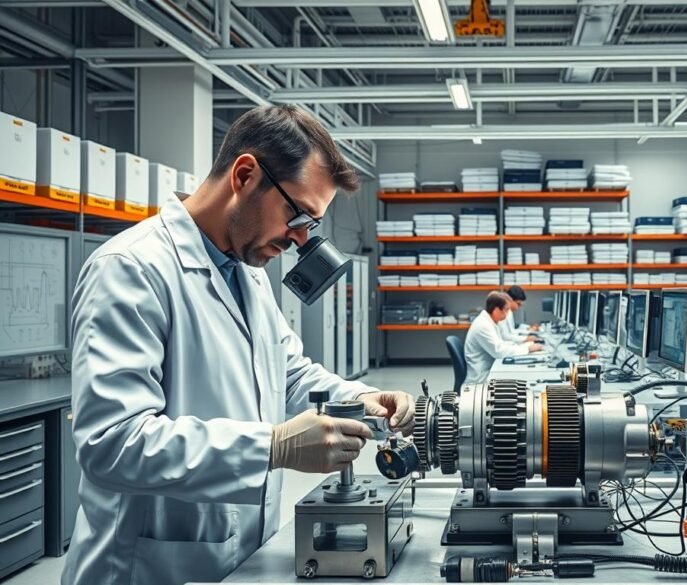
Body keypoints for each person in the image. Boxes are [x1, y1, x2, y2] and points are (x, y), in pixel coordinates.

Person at [62, 105, 415, 585]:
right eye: (297, 215)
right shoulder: (130, 269)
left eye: (311, 224)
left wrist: (358, 398)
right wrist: (271, 447)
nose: (298, 239)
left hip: (243, 556)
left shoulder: (248, 274)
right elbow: (112, 443)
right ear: (245, 175)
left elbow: (288, 372)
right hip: (148, 567)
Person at [464, 292, 544, 384]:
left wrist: (524, 346)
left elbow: (501, 344)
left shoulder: (489, 322)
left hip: (490, 368)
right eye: (506, 310)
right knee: (524, 378)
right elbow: (499, 352)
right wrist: (527, 348)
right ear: (496, 310)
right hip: (482, 377)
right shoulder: (483, 326)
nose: (507, 315)